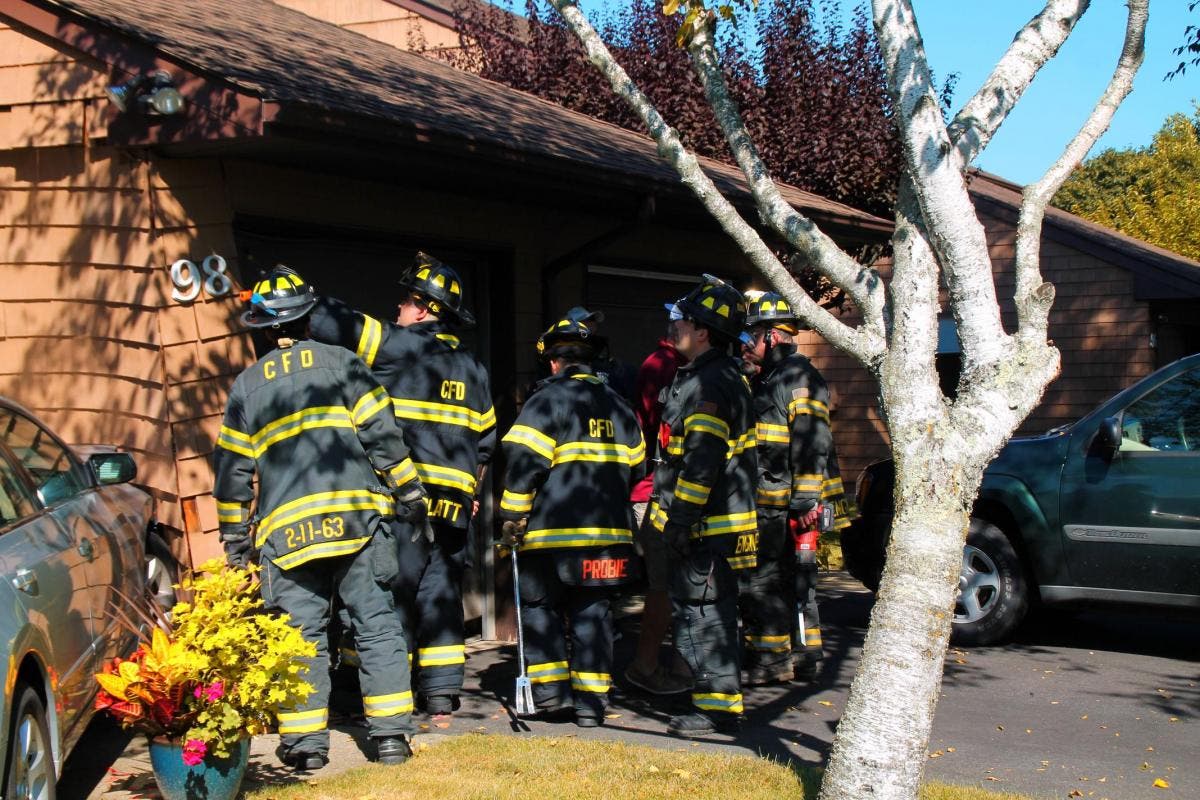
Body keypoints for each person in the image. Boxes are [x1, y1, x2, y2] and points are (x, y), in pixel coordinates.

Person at [213, 265, 426, 770]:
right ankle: (391, 739)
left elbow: (232, 475)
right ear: (309, 318)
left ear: (266, 329)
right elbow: (383, 437)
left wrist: (234, 541)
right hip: (356, 525)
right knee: (375, 627)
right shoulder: (345, 364)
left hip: (288, 538)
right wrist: (411, 494)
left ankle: (307, 748)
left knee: (299, 637)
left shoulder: (245, 388)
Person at [307, 252, 496, 718]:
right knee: (441, 598)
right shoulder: (475, 370)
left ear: (425, 309)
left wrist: (290, 297)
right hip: (455, 509)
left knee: (387, 596)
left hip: (406, 504)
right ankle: (442, 692)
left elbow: (335, 325)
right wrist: (469, 493)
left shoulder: (400, 348)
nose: (398, 310)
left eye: (406, 302)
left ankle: (364, 692)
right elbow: (486, 444)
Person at [497, 308, 645, 727]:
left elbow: (524, 464)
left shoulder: (546, 401)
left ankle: (551, 695)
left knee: (540, 608)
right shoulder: (621, 407)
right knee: (594, 615)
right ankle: (591, 705)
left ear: (552, 360)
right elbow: (638, 469)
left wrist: (512, 516)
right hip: (609, 536)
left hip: (551, 537)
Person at [644, 274, 758, 738]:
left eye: (684, 320)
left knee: (703, 612)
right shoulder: (713, 377)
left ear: (705, 331)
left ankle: (715, 711)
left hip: (704, 527)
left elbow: (701, 465)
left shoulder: (708, 384)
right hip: (713, 524)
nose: (675, 326)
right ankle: (719, 703)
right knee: (711, 611)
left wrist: (680, 521)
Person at [740, 291, 850, 683]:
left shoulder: (798, 379)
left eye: (750, 337)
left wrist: (805, 500)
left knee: (772, 578)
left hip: (789, 501)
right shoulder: (773, 378)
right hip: (777, 498)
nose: (745, 345)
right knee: (790, 579)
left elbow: (811, 441)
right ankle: (802, 655)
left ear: (771, 336)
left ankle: (774, 661)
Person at [623, 328, 692, 696]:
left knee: (680, 587)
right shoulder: (663, 365)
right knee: (664, 586)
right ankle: (644, 666)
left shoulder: (680, 365)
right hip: (655, 494)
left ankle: (683, 666)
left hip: (667, 493)